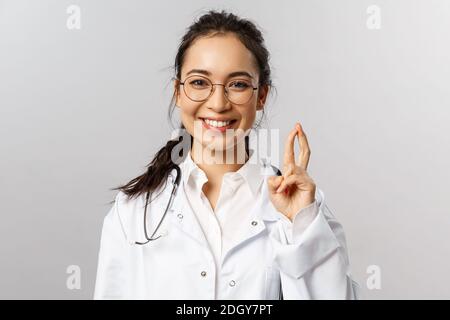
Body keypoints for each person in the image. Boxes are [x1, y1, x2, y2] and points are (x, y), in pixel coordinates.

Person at [94, 9, 359, 300]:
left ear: (261, 96)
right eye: (199, 82)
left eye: (238, 85)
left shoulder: (303, 209)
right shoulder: (134, 210)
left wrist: (302, 225)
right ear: (178, 92)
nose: (218, 103)